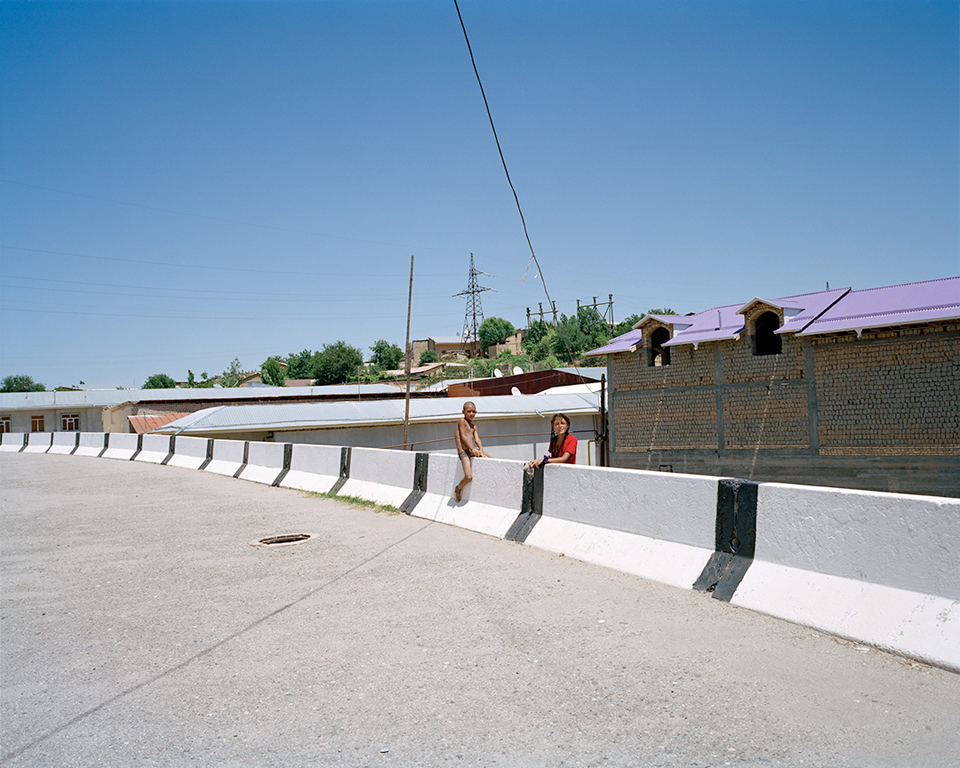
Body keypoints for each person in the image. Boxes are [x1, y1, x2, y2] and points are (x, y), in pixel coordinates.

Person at [454, 401, 491, 501]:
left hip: (471, 450)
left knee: (491, 459)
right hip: (464, 452)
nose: (471, 414)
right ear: (463, 412)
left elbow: (477, 439)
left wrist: (481, 450)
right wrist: (473, 449)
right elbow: (463, 437)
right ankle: (458, 488)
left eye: (473, 412)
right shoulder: (462, 421)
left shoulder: (474, 426)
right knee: (468, 477)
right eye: (469, 411)